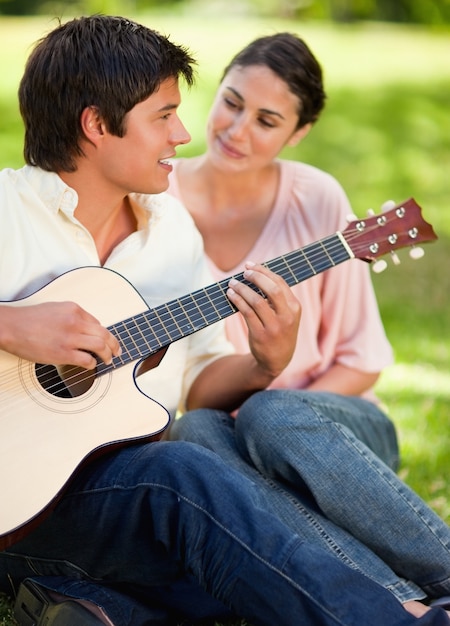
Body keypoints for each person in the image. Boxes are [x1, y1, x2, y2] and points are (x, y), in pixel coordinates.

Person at [2, 14, 449, 626]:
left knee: (236, 552)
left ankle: (93, 607)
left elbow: (198, 385)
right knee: (182, 474)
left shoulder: (171, 234)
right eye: (163, 116)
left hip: (107, 498)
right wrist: (9, 325)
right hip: (25, 508)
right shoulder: (7, 212)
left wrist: (265, 362)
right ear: (97, 125)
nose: (183, 134)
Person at [166, 31, 450, 619]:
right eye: (232, 102)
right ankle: (410, 610)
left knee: (273, 413)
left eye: (267, 120)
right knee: (193, 434)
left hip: (333, 437)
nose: (237, 130)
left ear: (297, 134)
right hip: (221, 428)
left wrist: (269, 421)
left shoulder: (317, 199)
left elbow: (363, 360)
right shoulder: (155, 197)